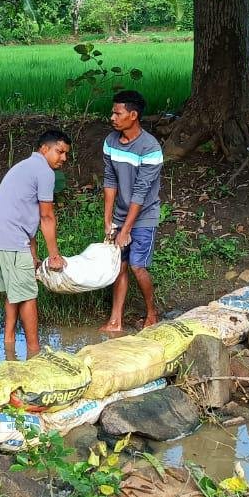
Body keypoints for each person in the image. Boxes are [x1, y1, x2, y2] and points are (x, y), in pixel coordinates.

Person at [0, 130, 70, 360]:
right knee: (29, 295)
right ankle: (35, 353)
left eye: (66, 154)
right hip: (11, 239)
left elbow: (23, 212)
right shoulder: (44, 172)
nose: (63, 158)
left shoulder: (23, 167)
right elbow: (46, 217)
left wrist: (33, 254)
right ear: (44, 149)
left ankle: (8, 344)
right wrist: (54, 257)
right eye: (59, 152)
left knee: (15, 292)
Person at [101, 90, 164, 334]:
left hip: (144, 217)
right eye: (112, 112)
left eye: (118, 113)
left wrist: (125, 230)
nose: (112, 117)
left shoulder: (150, 148)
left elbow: (140, 192)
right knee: (119, 266)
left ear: (133, 115)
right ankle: (115, 320)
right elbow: (109, 181)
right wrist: (109, 222)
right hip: (119, 215)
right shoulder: (110, 142)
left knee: (137, 265)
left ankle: (152, 312)